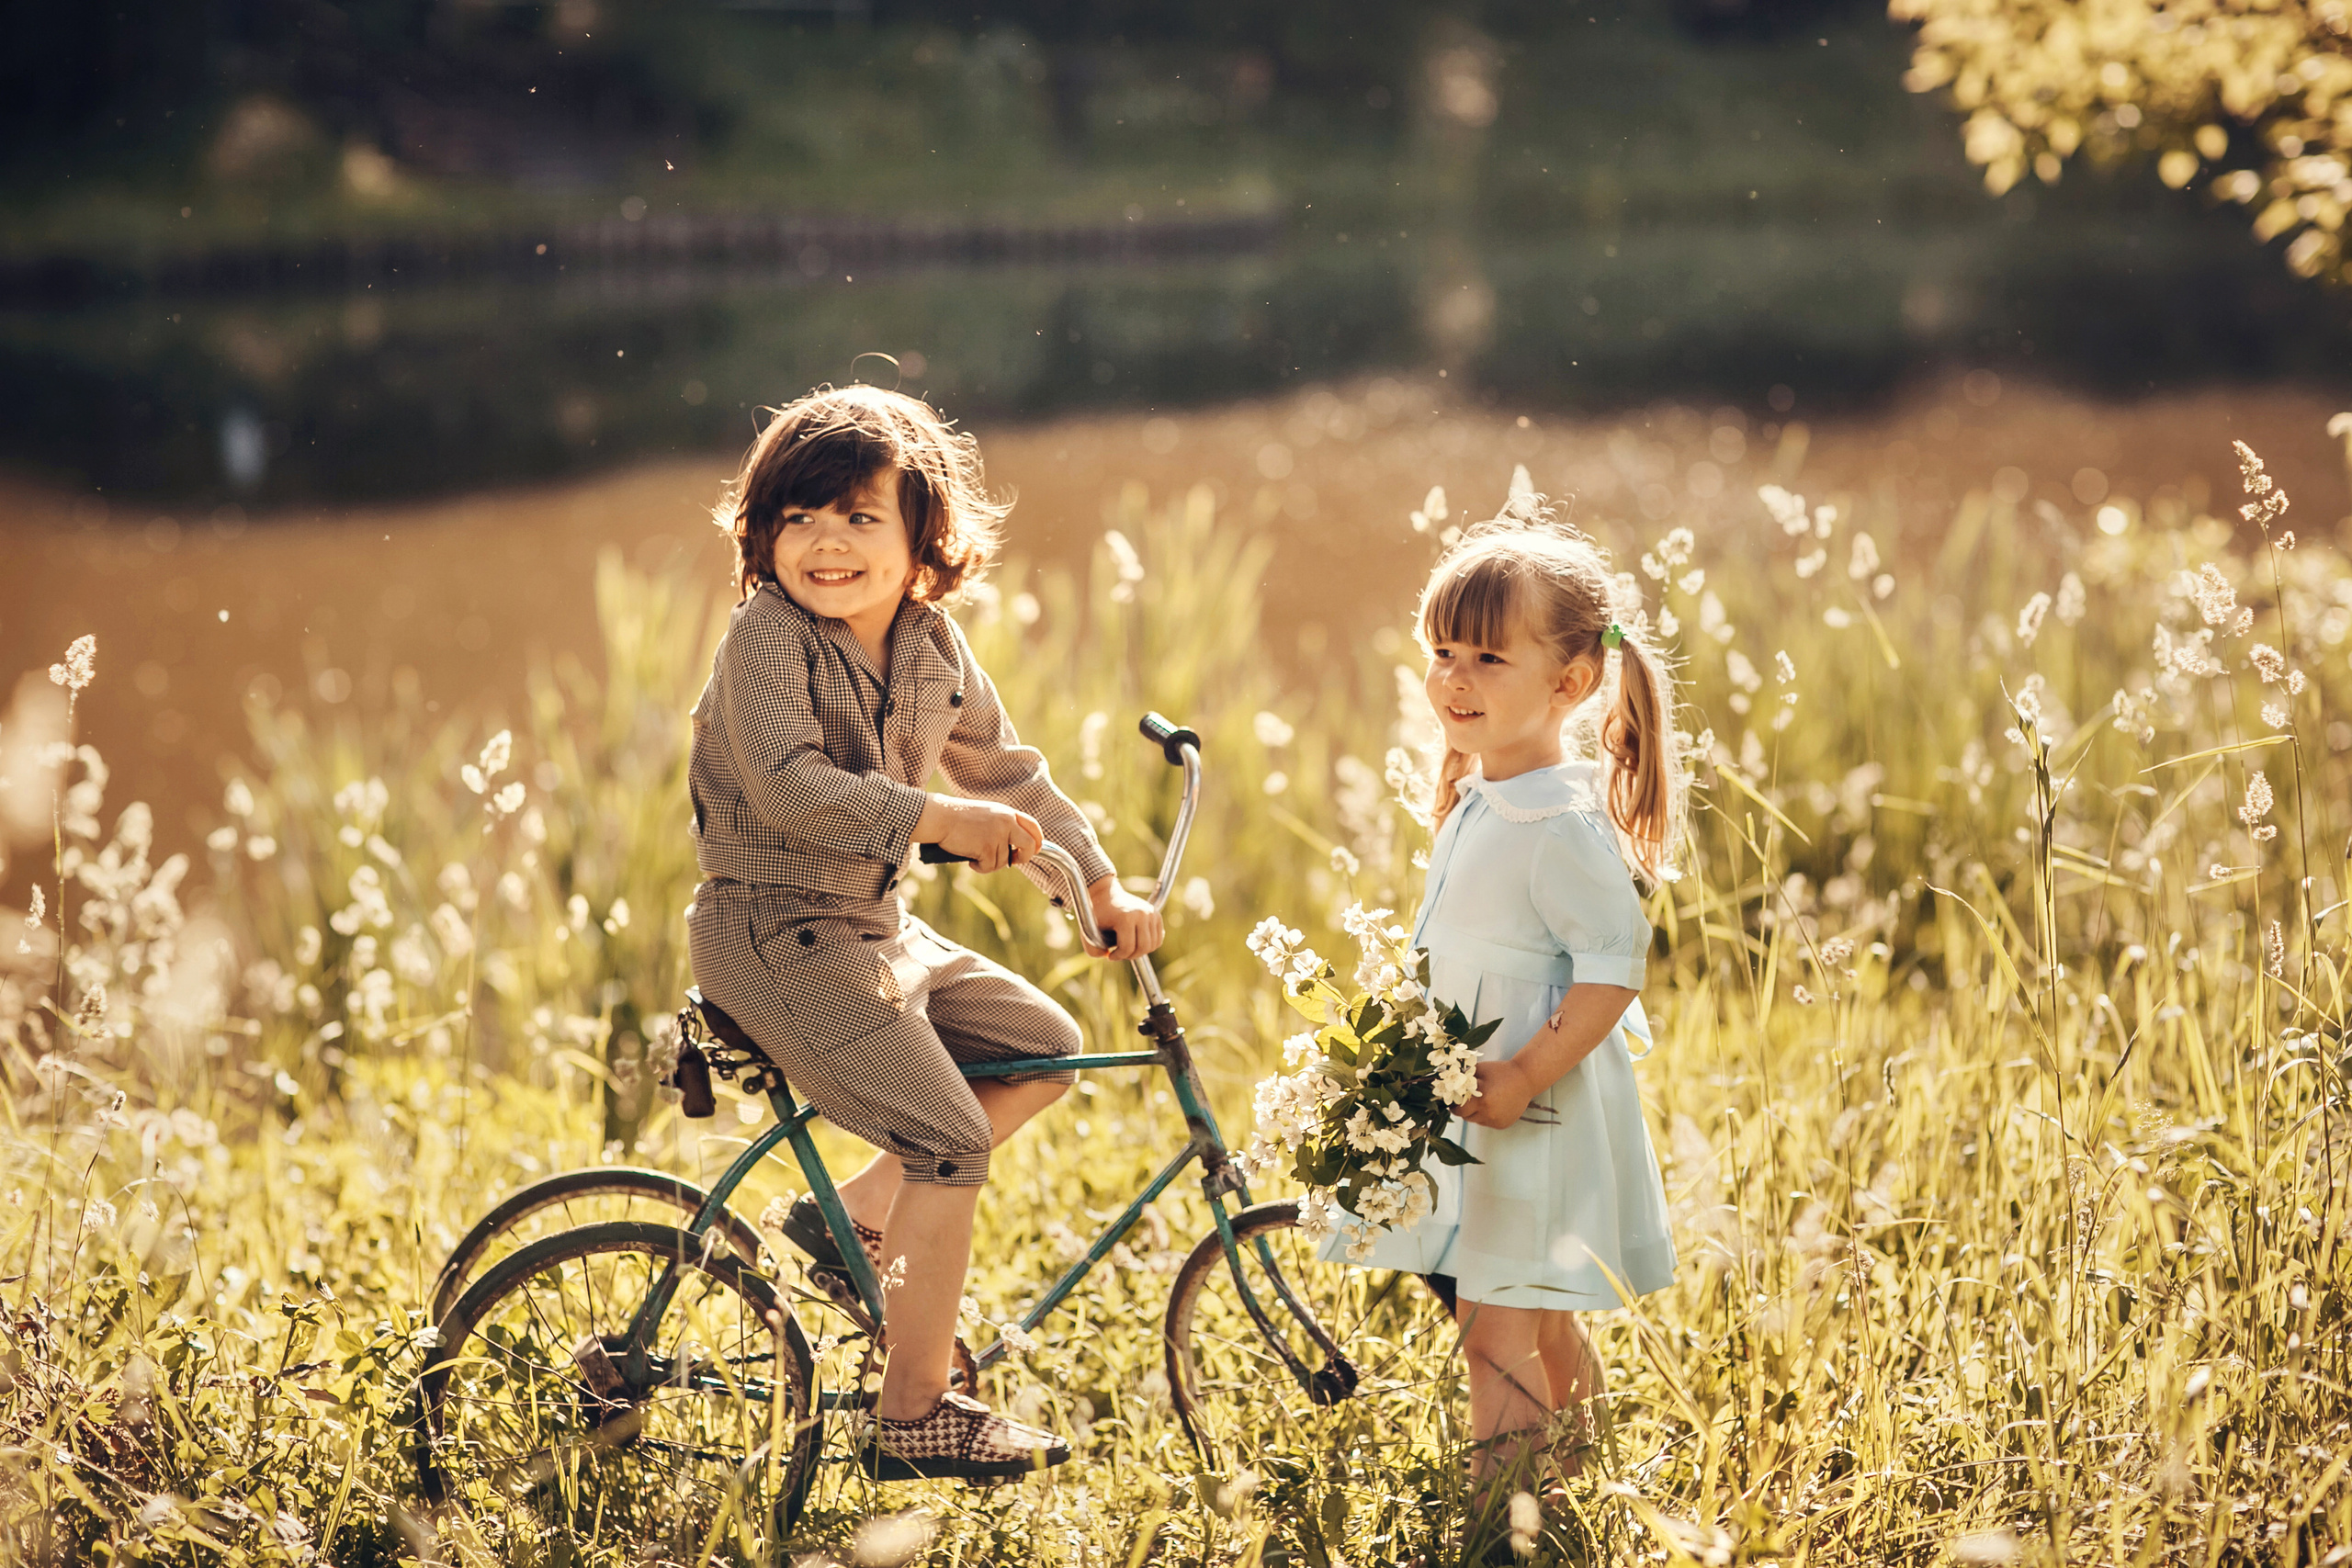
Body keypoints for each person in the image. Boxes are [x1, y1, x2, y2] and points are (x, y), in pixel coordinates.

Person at [682, 384, 1162, 1480]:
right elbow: (791, 787)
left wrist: (1094, 883)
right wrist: (938, 821)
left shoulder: (931, 644)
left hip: (869, 929)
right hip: (771, 933)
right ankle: (913, 1416)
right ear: (762, 539)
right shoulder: (766, 639)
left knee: (1041, 1050)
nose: (827, 543)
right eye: (799, 518)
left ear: (921, 542)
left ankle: (850, 1221)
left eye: (860, 517)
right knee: (948, 1138)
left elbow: (1008, 775)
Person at [1337, 516, 1681, 1529]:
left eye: (1489, 657)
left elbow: (1614, 970)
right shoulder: (1486, 797)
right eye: (1443, 650)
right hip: (1484, 1110)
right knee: (1538, 1321)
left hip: (1533, 1115)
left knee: (1497, 1334)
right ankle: (1575, 1494)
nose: (1456, 677)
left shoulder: (1557, 822)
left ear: (1570, 683)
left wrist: (1527, 1071)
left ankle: (1506, 1526)